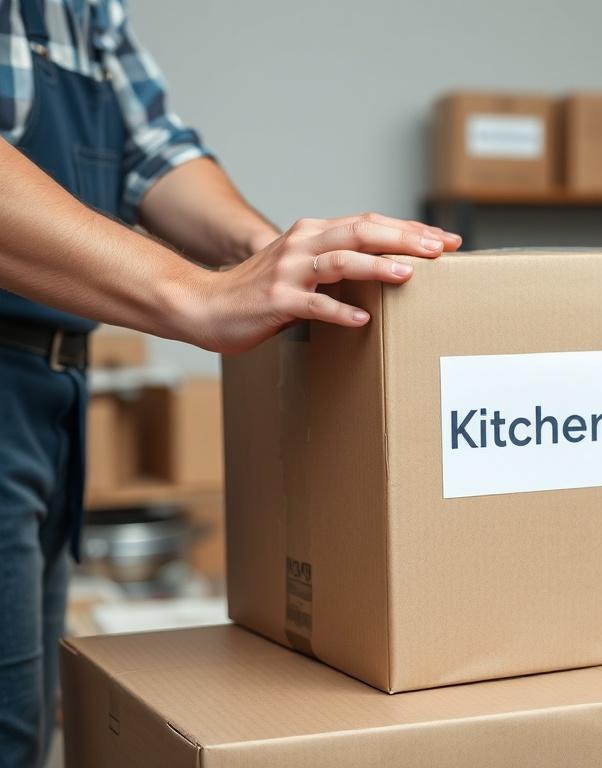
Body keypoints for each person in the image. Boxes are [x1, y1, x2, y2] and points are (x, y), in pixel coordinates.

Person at [0, 1, 460, 764]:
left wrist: (273, 254)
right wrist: (198, 294)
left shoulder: (85, 9)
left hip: (51, 390)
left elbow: (154, 150)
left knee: (21, 727)